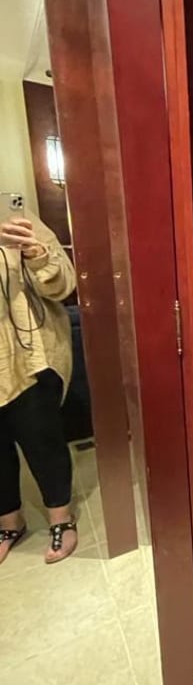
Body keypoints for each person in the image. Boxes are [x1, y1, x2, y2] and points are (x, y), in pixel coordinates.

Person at [0, 213, 77, 565]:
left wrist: (37, 255)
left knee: (42, 440)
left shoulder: (17, 219)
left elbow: (63, 286)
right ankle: (9, 523)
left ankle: (61, 518)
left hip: (27, 357)